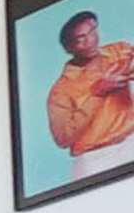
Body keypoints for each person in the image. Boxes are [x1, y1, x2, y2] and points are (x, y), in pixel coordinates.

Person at [45, 10, 134, 182]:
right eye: (81, 38)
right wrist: (97, 93)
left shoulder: (119, 51)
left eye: (92, 31)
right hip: (95, 160)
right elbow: (62, 138)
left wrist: (128, 69)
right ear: (68, 48)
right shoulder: (60, 91)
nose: (91, 41)